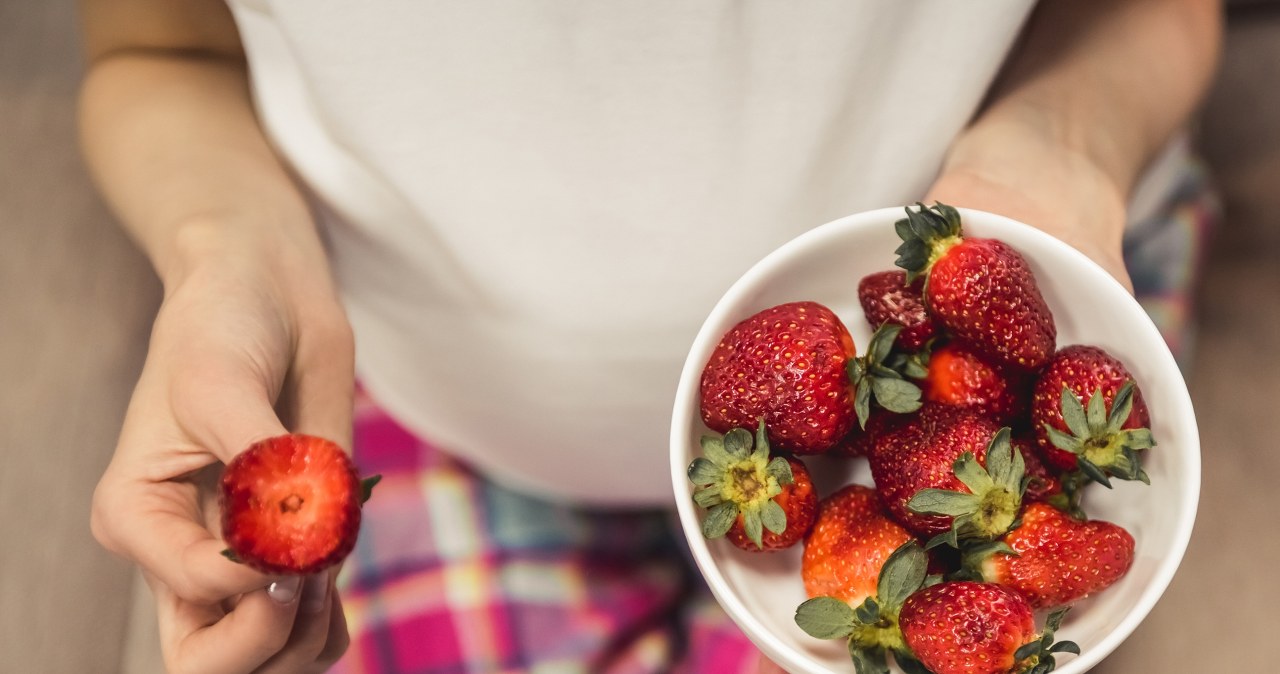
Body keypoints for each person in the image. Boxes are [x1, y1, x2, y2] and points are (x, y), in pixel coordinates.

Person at [81, 0, 1221, 672]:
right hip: (430, 410)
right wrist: (227, 253)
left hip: (1028, 253)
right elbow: (160, 48)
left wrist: (1062, 148)